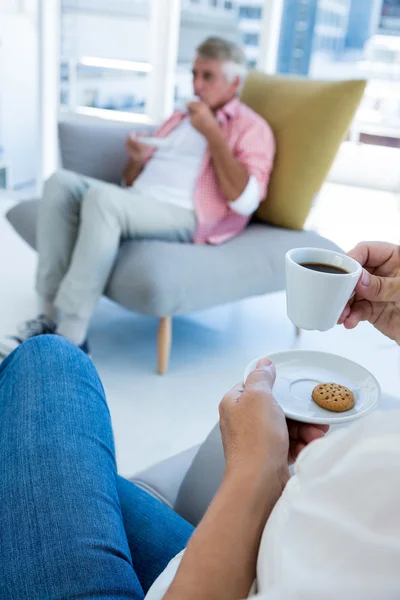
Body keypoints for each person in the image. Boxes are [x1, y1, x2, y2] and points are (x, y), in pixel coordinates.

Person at [1, 240, 399, 600]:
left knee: (48, 362)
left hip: (221, 579)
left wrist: (254, 470)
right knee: (37, 459)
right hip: (257, 565)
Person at [0, 37, 275, 358]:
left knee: (104, 200)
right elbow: (129, 182)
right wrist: (136, 158)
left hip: (187, 214)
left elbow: (244, 201)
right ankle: (46, 318)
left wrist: (212, 133)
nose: (197, 85)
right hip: (137, 201)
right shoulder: (179, 119)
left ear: (234, 82)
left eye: (208, 76)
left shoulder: (251, 127)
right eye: (194, 74)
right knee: (59, 182)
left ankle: (71, 336)